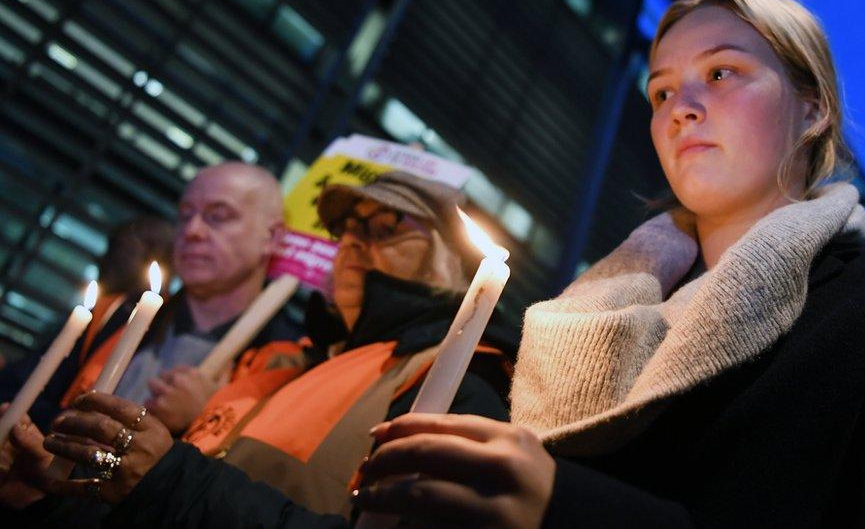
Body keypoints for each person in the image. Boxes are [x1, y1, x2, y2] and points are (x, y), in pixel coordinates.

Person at [343, 0, 865, 527]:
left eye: (722, 73)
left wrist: (568, 509)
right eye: (661, 93)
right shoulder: (575, 321)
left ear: (812, 109)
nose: (681, 110)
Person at [1, 171, 515, 526]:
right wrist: (41, 501)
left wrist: (169, 477)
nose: (356, 241)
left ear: (462, 267)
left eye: (386, 229)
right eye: (348, 228)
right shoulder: (296, 362)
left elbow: (174, 487)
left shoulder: (461, 388)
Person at [1, 162, 304, 438]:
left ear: (273, 238)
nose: (192, 231)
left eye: (218, 216)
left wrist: (205, 417)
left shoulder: (285, 362)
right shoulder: (116, 314)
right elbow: (21, 395)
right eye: (185, 215)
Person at [0, 215, 175, 431]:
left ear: (152, 254)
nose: (102, 258)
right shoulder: (107, 307)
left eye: (116, 247)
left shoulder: (162, 328)